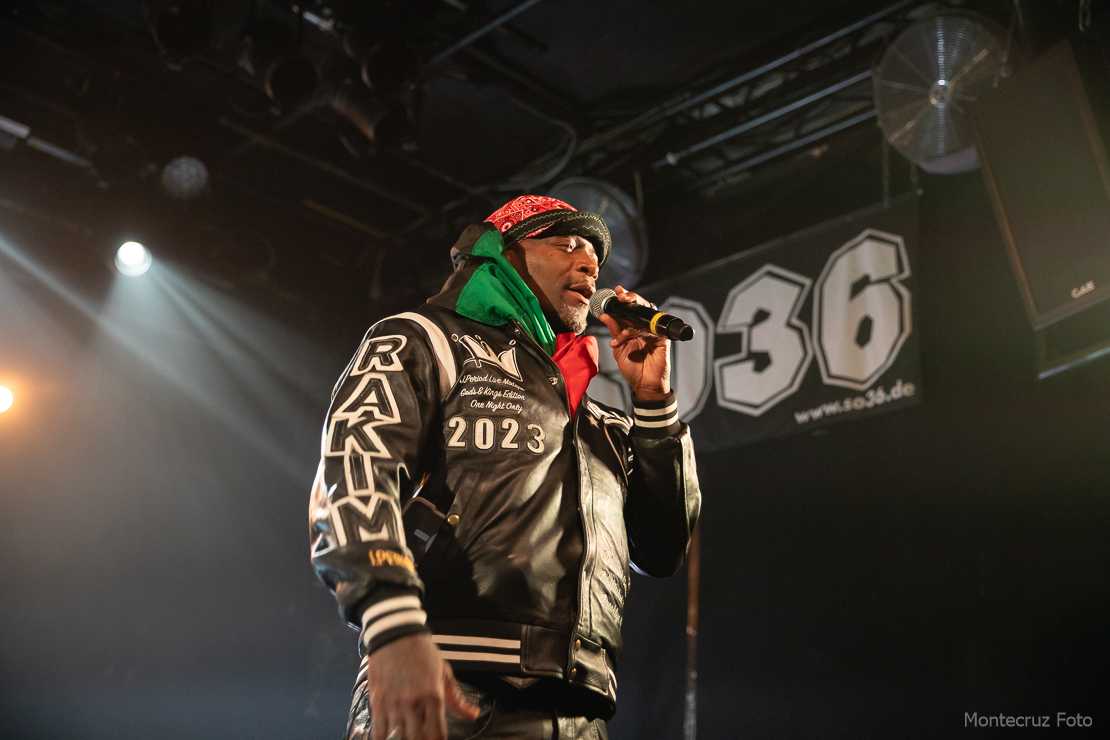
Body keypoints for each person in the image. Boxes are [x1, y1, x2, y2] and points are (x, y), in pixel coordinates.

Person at [309, 195, 701, 740]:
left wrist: (654, 403)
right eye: (567, 245)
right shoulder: (425, 338)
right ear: (504, 252)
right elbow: (355, 472)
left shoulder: (601, 424)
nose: (589, 266)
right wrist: (390, 621)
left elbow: (662, 551)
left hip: (581, 710)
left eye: (595, 260)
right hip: (448, 683)